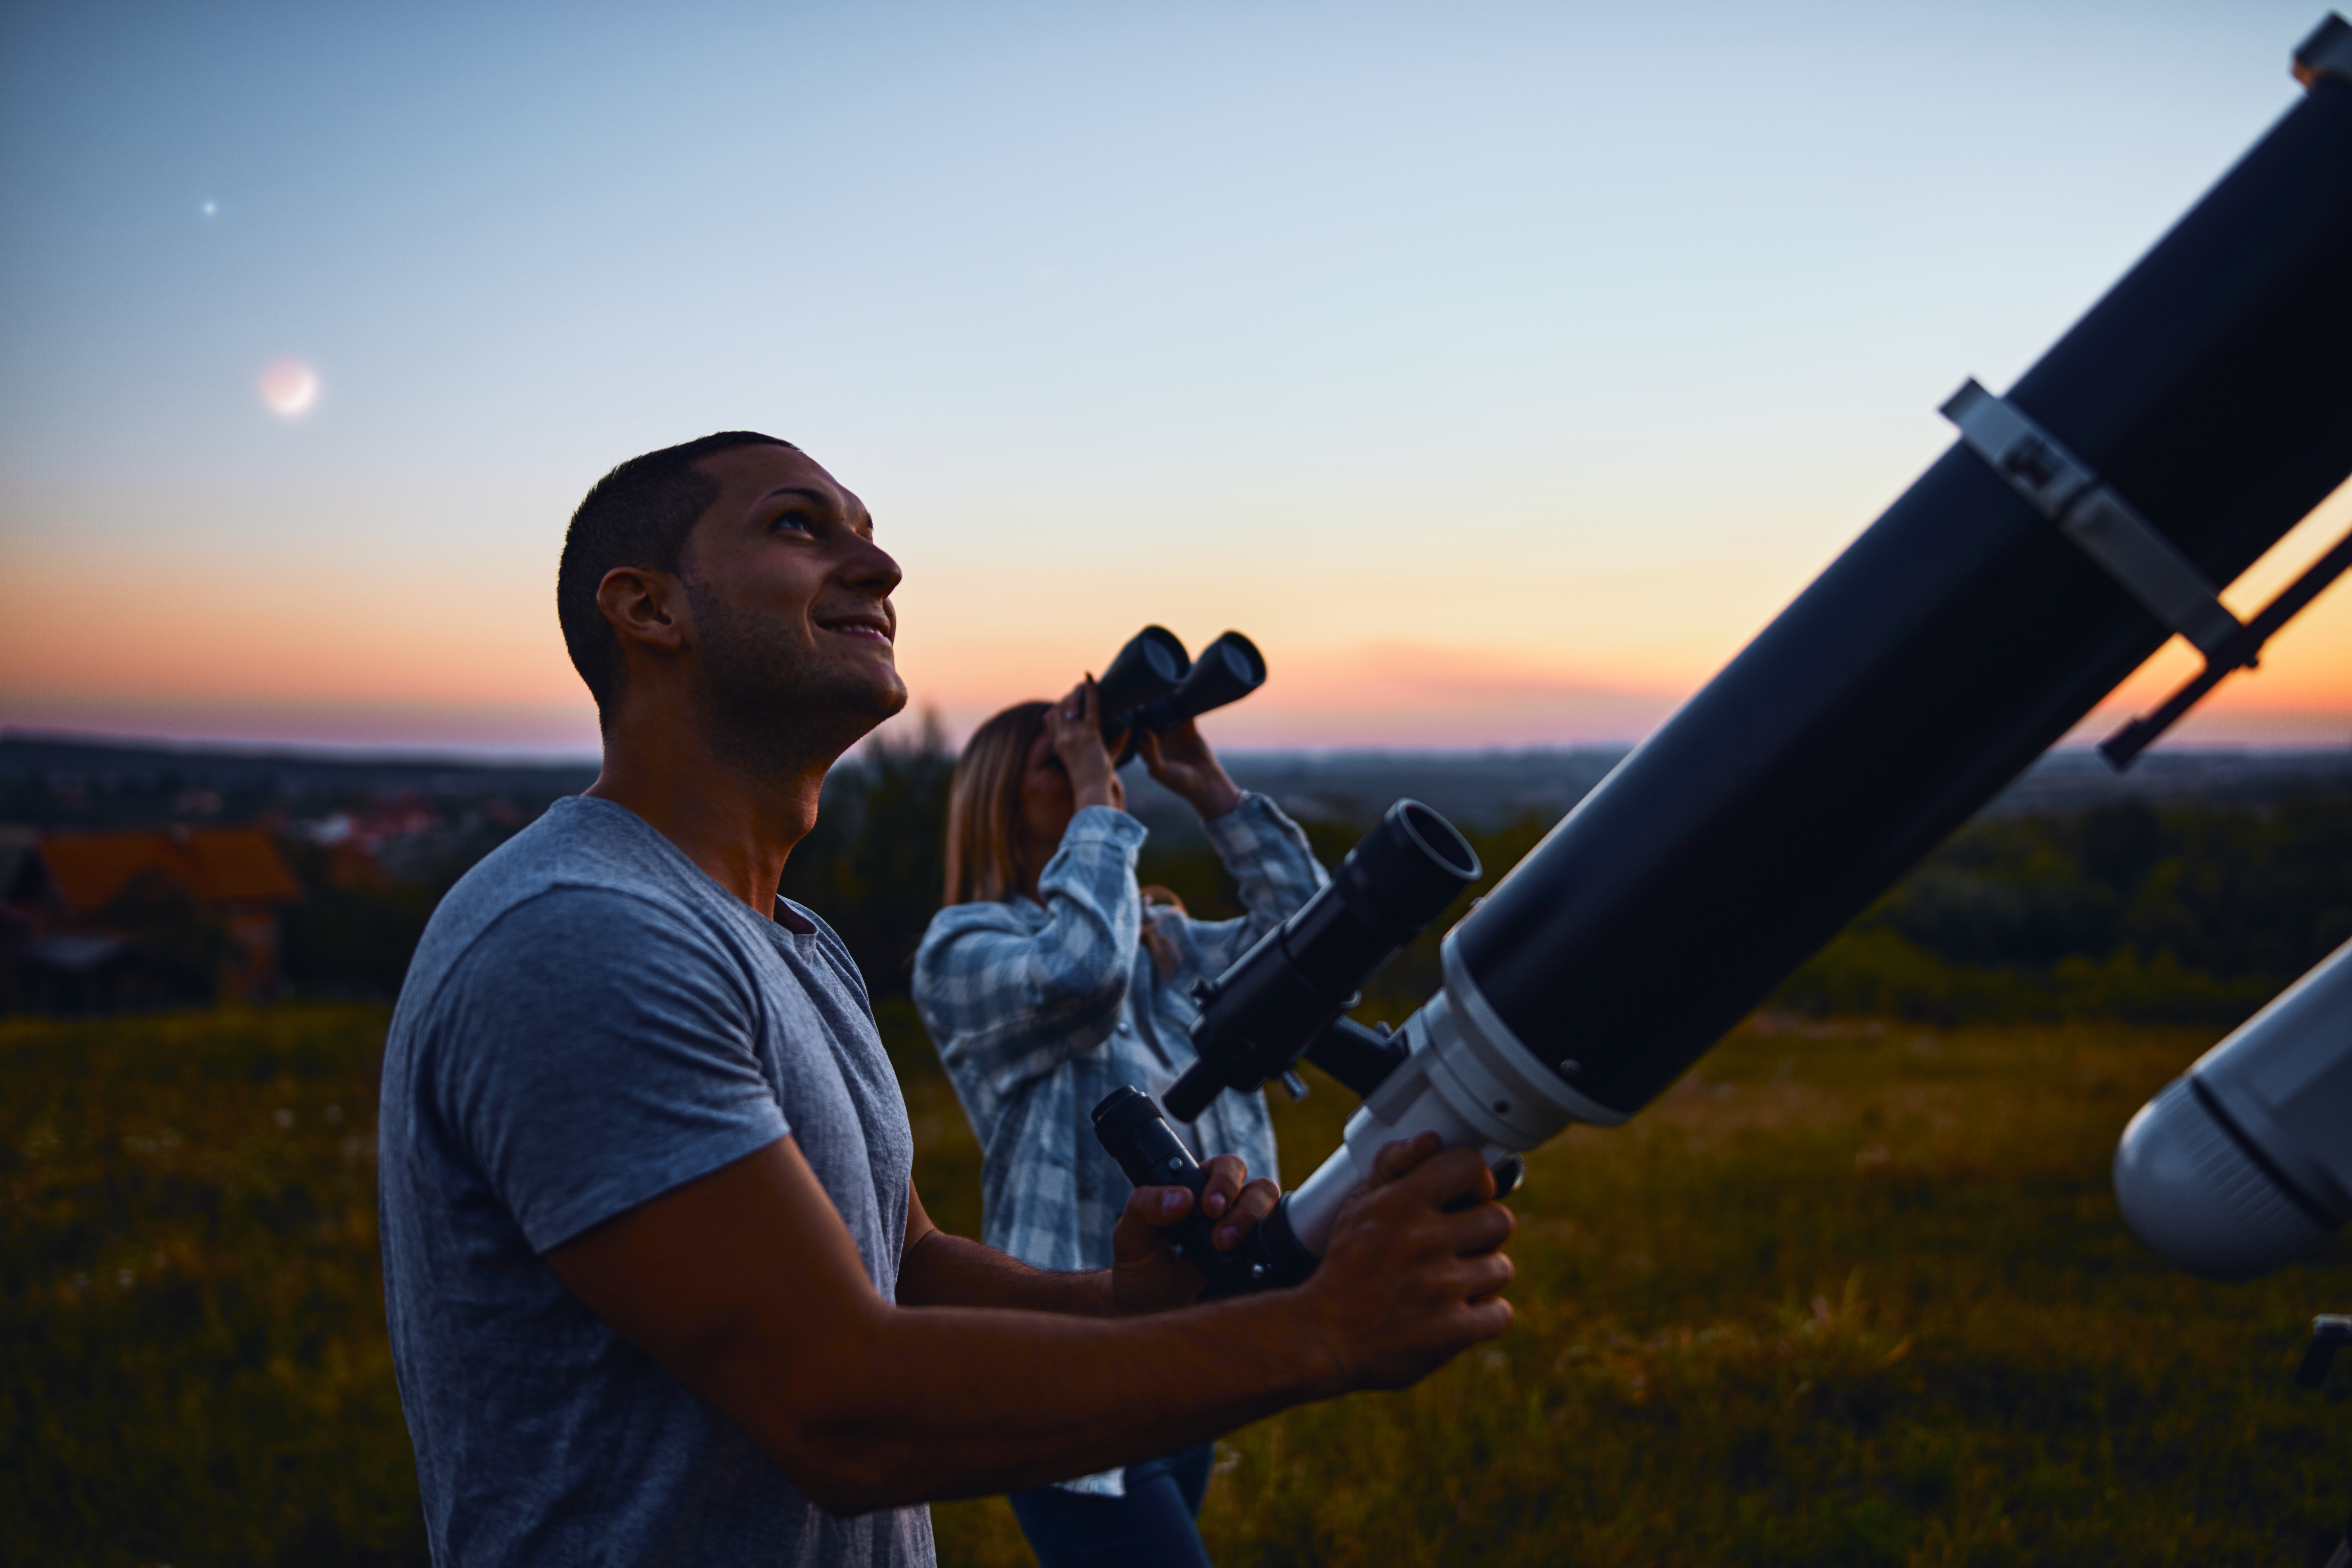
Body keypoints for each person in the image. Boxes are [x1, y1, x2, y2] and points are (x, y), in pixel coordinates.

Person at [377, 430, 1517, 1568]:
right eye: (798, 525)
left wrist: (1126, 1300)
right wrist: (1317, 1332)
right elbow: (840, 1406)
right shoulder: (581, 930)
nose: (882, 568)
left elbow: (903, 1261)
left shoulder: (792, 943)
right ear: (647, 609)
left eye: (869, 533)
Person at [913, 682, 1326, 1566]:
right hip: (1066, 1365)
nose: (1085, 770)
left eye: (1092, 755)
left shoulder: (1165, 948)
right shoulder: (964, 951)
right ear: (998, 797)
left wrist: (1206, 782)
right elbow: (1081, 976)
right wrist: (1099, 796)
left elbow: (1315, 950)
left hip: (1190, 1341)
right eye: (1056, 758)